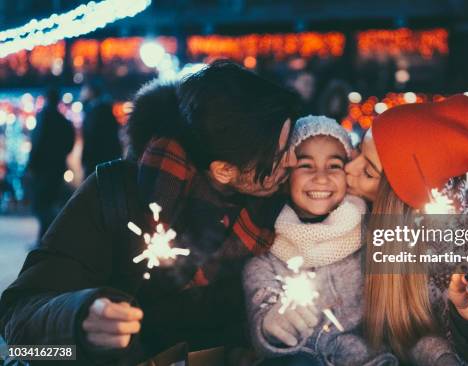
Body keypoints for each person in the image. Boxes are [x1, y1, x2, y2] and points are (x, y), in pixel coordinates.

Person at [0, 61, 301, 365]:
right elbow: (18, 320)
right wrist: (78, 319)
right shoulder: (115, 195)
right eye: (276, 156)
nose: (291, 160)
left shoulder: (281, 211)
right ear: (224, 171)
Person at [345, 95, 468, 366]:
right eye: (357, 151)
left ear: (397, 203)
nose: (347, 168)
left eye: (368, 172)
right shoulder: (343, 220)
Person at [243, 115, 399, 365]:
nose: (321, 177)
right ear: (285, 176)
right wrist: (272, 324)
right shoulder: (265, 254)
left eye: (334, 165)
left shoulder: (375, 238)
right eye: (306, 165)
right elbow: (261, 305)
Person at [27, 88, 75, 241]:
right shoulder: (63, 120)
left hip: (43, 167)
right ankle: (46, 238)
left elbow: (37, 142)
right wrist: (61, 155)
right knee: (49, 201)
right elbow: (69, 142)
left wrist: (31, 164)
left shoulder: (43, 118)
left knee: (40, 205)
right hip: (57, 166)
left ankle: (49, 237)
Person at [80, 80, 123, 177]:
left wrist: (86, 159)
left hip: (97, 162)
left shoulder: (97, 112)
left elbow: (92, 139)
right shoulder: (101, 110)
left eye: (84, 90)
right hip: (102, 160)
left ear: (91, 92)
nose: (82, 93)